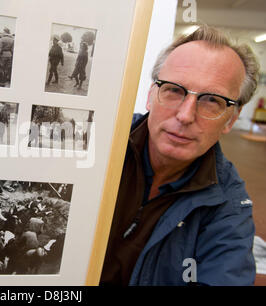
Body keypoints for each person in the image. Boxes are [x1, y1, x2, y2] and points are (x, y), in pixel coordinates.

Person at [100, 25, 259, 286]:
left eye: (211, 100)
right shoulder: (95, 143)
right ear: (152, 96)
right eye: (174, 90)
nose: (185, 116)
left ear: (231, 119)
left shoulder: (228, 206)